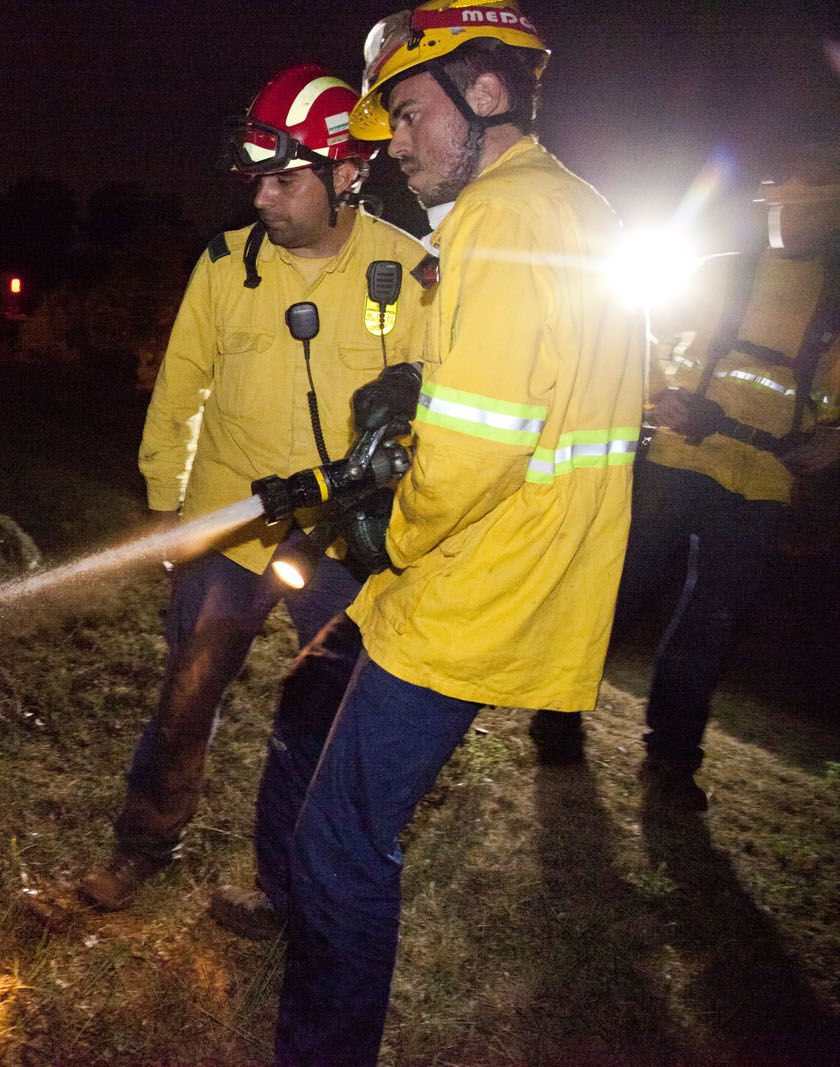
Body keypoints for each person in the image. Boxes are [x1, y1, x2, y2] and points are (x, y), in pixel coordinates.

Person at [275, 3, 644, 1063]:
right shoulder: (576, 208)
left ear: (485, 95)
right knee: (319, 746)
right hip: (499, 571)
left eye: (408, 113)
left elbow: (481, 440)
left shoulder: (501, 216)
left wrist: (385, 531)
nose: (393, 142)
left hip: (469, 582)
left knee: (341, 844)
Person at [76, 63, 430, 912]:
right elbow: (181, 386)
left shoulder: (415, 275)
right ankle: (142, 844)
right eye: (254, 181)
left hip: (342, 540)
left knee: (328, 716)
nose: (263, 199)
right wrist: (167, 505)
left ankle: (287, 884)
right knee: (187, 690)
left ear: (348, 172)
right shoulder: (225, 263)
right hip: (231, 528)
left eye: (284, 179)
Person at [530, 148, 840, 806]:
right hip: (678, 459)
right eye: (782, 200)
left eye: (810, 205)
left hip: (761, 483)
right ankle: (556, 711)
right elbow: (641, 333)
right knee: (620, 587)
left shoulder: (835, 308)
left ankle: (672, 759)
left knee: (711, 623)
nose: (791, 215)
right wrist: (659, 393)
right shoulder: (718, 273)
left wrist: (834, 437)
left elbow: (831, 403)